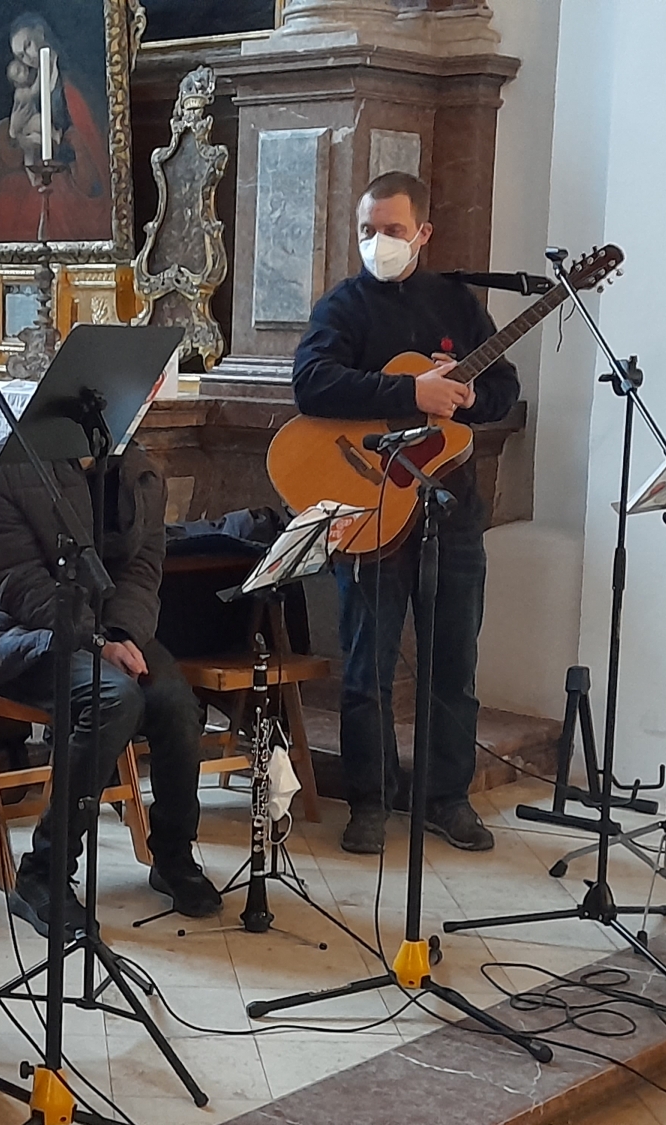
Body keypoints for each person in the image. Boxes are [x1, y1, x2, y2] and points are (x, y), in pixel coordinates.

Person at [292, 171, 521, 856]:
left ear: (422, 232)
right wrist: (409, 389)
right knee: (367, 666)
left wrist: (467, 401)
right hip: (369, 508)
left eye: (391, 230)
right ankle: (370, 799)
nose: (377, 242)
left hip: (452, 512)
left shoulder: (458, 304)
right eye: (367, 230)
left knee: (454, 662)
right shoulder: (345, 307)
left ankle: (446, 797)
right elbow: (311, 381)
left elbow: (503, 389)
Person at [0, 445, 222, 932]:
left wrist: (121, 635)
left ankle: (172, 856)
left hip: (116, 631)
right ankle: (42, 873)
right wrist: (93, 640)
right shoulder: (9, 465)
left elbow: (143, 570)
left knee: (177, 705)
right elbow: (13, 578)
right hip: (31, 634)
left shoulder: (142, 472)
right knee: (115, 699)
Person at [0, 13, 111, 244]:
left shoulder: (71, 76)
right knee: (8, 191)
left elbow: (87, 130)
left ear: (41, 33)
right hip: (45, 159)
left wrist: (64, 139)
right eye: (20, 55)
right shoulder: (31, 84)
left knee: (55, 197)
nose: (27, 58)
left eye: (28, 45)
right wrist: (14, 133)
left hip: (75, 167)